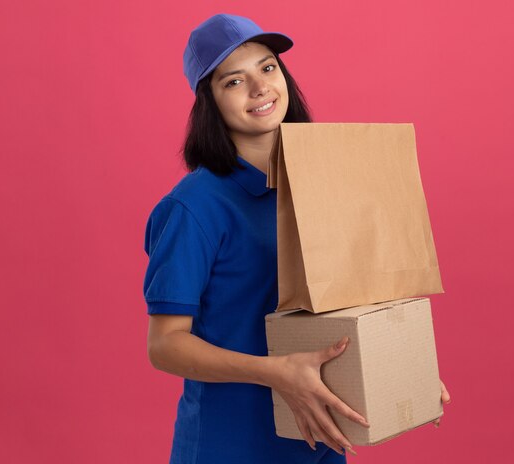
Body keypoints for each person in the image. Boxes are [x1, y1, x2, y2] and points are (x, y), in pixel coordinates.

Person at [143, 13, 451, 464]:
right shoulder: (194, 207)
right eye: (233, 81)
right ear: (208, 101)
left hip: (320, 436)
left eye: (268, 68)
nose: (260, 88)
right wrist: (276, 372)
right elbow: (165, 344)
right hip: (230, 445)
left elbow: (353, 295)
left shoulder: (322, 182)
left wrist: (405, 365)